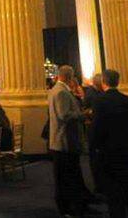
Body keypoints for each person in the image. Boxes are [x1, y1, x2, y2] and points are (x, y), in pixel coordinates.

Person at [89, 69, 128, 218]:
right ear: (118, 81)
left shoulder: (99, 101)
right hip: (127, 151)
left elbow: (96, 128)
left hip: (108, 152)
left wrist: (93, 148)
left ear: (103, 82)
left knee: (114, 194)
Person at [48, 65, 91, 217]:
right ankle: (67, 208)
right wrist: (82, 114)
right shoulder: (61, 92)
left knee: (66, 175)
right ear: (69, 77)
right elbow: (64, 115)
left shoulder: (56, 90)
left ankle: (72, 204)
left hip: (62, 141)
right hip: (64, 140)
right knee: (65, 177)